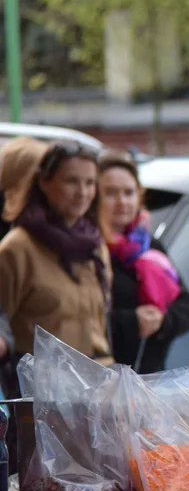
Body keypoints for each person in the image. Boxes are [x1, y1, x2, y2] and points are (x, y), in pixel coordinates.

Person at [0, 139, 113, 366]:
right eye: (71, 181)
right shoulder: (18, 248)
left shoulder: (95, 246)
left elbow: (101, 327)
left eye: (90, 183)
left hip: (99, 385)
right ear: (43, 182)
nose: (82, 192)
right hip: (42, 390)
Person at [98, 151, 189, 374]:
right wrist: (132, 322)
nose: (122, 201)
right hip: (102, 379)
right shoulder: (89, 249)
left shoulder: (149, 246)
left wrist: (163, 321)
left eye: (129, 192)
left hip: (150, 378)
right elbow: (79, 320)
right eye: (110, 193)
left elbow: (187, 305)